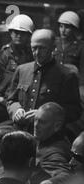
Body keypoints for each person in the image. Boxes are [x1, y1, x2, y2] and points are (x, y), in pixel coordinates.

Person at [6, 29, 81, 138]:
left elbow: (75, 111)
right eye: (34, 48)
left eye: (42, 48)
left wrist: (45, 115)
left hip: (50, 137)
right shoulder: (22, 70)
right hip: (21, 133)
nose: (37, 53)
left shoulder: (67, 75)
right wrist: (16, 110)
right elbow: (11, 100)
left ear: (53, 48)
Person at [53, 11, 84, 139]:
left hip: (73, 86)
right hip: (54, 84)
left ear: (74, 29)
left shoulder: (81, 47)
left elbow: (82, 72)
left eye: (67, 27)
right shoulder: (54, 43)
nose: (63, 30)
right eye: (61, 26)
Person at [31, 102, 72, 184]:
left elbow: (66, 175)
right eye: (35, 120)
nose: (36, 125)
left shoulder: (53, 152)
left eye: (42, 122)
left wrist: (51, 182)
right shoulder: (47, 139)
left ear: (57, 126)